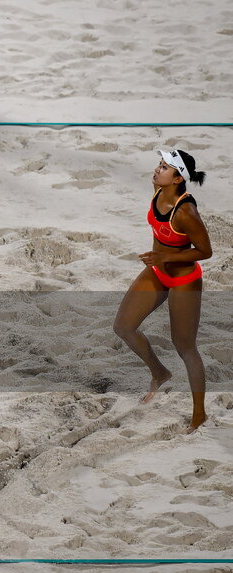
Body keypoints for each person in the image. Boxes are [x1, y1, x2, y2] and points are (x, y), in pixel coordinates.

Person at [114, 148, 212, 433]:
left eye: (165, 167)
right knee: (123, 326)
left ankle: (199, 415)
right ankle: (160, 372)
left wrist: (165, 257)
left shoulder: (186, 212)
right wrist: (160, 260)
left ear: (178, 178)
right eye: (159, 164)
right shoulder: (157, 191)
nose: (157, 170)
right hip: (157, 270)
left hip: (184, 280)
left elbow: (205, 251)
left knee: (185, 346)